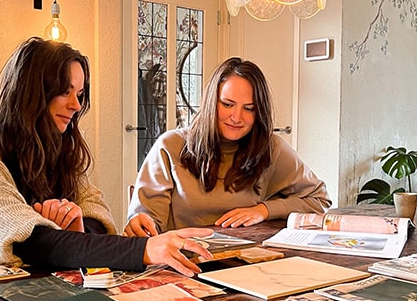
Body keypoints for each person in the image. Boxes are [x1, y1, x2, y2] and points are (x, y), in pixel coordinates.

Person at [0, 37, 211, 277]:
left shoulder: (56, 142)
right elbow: (28, 241)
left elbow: (95, 212)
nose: (76, 105)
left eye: (79, 94)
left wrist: (77, 226)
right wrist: (143, 250)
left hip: (40, 281)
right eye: (65, 91)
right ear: (31, 92)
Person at [123, 57, 331, 237]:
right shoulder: (170, 146)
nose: (236, 117)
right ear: (211, 102)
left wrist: (264, 210)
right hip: (183, 259)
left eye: (248, 108)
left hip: (247, 259)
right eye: (227, 104)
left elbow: (319, 200)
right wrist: (140, 224)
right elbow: (147, 223)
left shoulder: (271, 148)